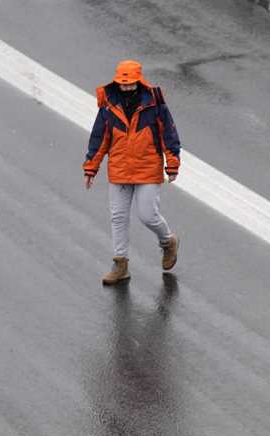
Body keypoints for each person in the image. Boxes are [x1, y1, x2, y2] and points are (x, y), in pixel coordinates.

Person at [83, 60, 181, 285]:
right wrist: (91, 167)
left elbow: (169, 134)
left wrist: (172, 163)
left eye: (131, 84)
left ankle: (168, 242)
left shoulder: (154, 104)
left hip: (147, 169)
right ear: (117, 82)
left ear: (139, 81)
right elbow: (99, 139)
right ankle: (121, 264)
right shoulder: (108, 106)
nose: (127, 88)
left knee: (148, 215)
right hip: (119, 171)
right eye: (123, 84)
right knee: (118, 218)